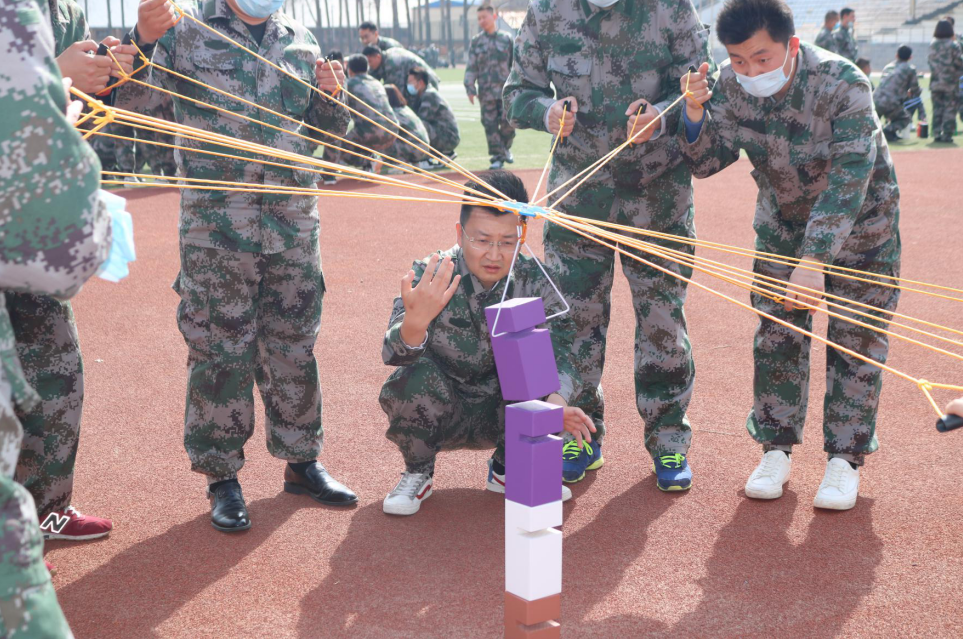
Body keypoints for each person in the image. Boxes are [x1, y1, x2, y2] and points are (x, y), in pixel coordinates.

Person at [122, 0, 358, 533]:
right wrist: (139, 37)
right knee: (219, 349)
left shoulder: (300, 37)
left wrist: (332, 97)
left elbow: (328, 136)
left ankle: (302, 460)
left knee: (294, 343)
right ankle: (221, 477)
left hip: (293, 224)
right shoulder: (185, 32)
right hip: (217, 230)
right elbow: (133, 102)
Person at [679, 0, 901, 511]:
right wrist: (694, 115)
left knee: (856, 339)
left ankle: (844, 460)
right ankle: (775, 449)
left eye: (762, 57)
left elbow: (849, 181)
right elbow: (709, 161)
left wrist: (815, 260)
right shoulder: (734, 90)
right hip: (783, 229)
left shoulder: (843, 83)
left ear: (791, 46)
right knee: (777, 337)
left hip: (863, 230)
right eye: (738, 60)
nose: (751, 71)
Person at [504, 0, 712, 491]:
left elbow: (704, 88)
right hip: (577, 198)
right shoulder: (547, 11)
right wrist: (546, 111)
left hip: (657, 199)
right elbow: (517, 94)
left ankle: (668, 441)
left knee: (662, 323)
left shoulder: (670, 9)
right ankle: (579, 433)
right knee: (573, 322)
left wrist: (661, 116)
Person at [379, 171, 594, 515]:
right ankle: (418, 472)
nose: (494, 254)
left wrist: (554, 403)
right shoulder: (433, 274)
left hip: (504, 410)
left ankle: (511, 469)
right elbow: (393, 354)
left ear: (521, 235)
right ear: (459, 233)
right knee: (412, 376)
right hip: (442, 405)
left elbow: (564, 349)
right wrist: (415, 324)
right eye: (482, 240)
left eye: (507, 242)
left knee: (536, 361)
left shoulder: (533, 279)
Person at [1, 0, 113, 631]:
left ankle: (48, 509)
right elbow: (65, 248)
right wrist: (53, 79)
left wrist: (117, 65)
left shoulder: (61, 10)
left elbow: (98, 111)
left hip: (24, 256)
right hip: (29, 231)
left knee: (56, 381)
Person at [465, 5, 515, 170]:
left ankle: (505, 148)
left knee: (508, 124)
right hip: (486, 93)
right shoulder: (476, 42)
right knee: (490, 125)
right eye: (479, 18)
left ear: (494, 17)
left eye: (484, 17)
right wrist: (470, 87)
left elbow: (515, 66)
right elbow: (471, 67)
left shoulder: (507, 39)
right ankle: (497, 157)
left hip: (505, 92)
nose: (481, 21)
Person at [337, 54, 399, 170]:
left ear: (349, 70)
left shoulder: (350, 84)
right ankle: (370, 163)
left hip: (372, 131)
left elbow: (340, 111)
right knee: (360, 132)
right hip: (393, 130)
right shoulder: (377, 82)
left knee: (338, 146)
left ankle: (369, 161)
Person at [408, 66, 460, 160]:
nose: (408, 85)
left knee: (417, 126)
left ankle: (426, 157)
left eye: (410, 82)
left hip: (448, 137)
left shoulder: (429, 95)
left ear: (421, 83)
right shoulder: (421, 95)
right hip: (443, 134)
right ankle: (439, 153)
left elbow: (419, 123)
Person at [875, 46, 920, 141]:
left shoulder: (888, 67)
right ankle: (888, 131)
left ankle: (873, 135)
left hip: (875, 98)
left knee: (874, 119)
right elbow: (915, 88)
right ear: (910, 57)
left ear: (896, 55)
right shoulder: (910, 69)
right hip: (891, 102)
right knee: (905, 118)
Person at [928, 19, 963, 143]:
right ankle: (947, 134)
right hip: (950, 83)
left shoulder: (932, 44)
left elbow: (930, 63)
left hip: (935, 81)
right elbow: (959, 62)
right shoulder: (953, 45)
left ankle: (936, 133)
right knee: (949, 109)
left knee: (937, 109)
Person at [384, 83, 431, 165]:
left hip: (415, 148)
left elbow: (387, 131)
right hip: (423, 148)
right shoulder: (405, 109)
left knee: (381, 143)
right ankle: (409, 162)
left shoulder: (394, 112)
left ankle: (401, 164)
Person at [364, 45, 440, 91]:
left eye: (370, 62)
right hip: (417, 83)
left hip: (426, 83)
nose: (369, 66)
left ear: (378, 57)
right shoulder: (385, 58)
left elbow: (394, 91)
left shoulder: (391, 63)